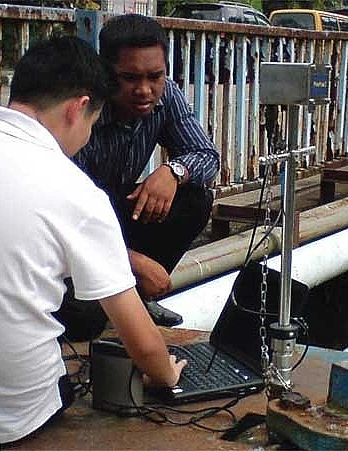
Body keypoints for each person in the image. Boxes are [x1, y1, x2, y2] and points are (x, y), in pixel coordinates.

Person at [0, 36, 186, 446]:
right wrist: (167, 374)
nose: (86, 138)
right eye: (91, 125)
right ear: (78, 108)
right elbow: (143, 344)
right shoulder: (78, 192)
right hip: (8, 420)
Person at [63, 14, 220, 331]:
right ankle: (114, 297)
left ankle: (135, 299)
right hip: (71, 232)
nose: (145, 90)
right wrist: (135, 262)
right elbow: (61, 216)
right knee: (85, 324)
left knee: (195, 198)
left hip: (114, 212)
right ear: (105, 73)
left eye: (155, 76)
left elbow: (207, 156)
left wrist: (173, 171)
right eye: (130, 78)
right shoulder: (81, 110)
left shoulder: (167, 95)